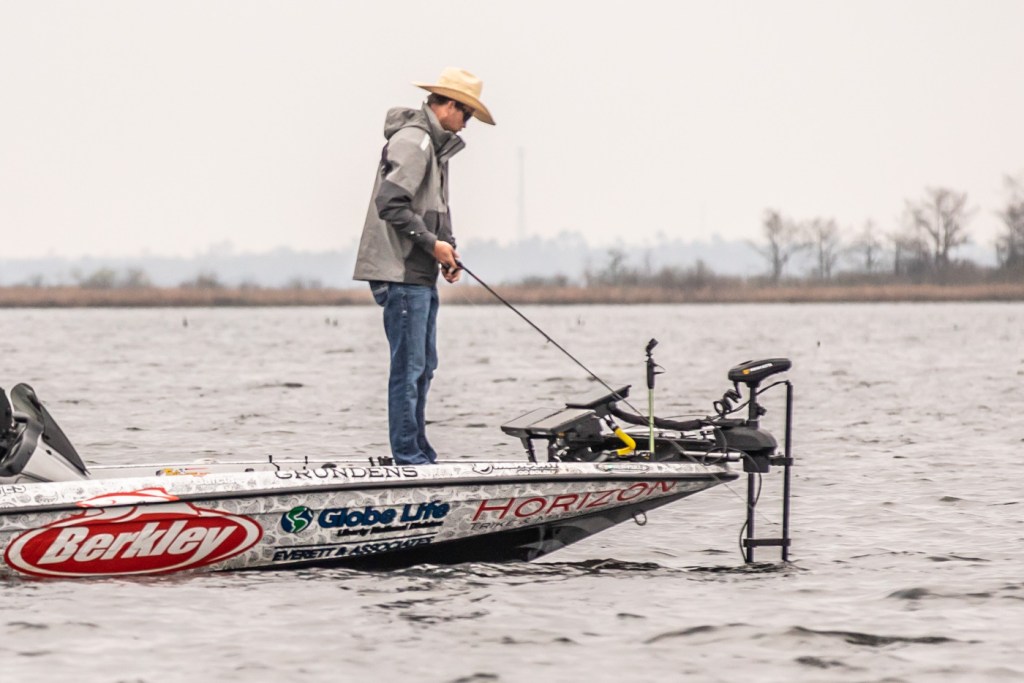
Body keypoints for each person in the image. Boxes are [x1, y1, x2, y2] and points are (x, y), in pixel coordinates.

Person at [353, 67, 495, 465]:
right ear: (448, 105)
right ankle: (408, 457)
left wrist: (448, 251)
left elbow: (434, 211)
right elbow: (391, 203)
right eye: (467, 113)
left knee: (424, 366)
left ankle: (419, 453)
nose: (467, 122)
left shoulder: (435, 147)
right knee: (409, 368)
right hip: (399, 274)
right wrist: (433, 245)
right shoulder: (414, 141)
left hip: (418, 274)